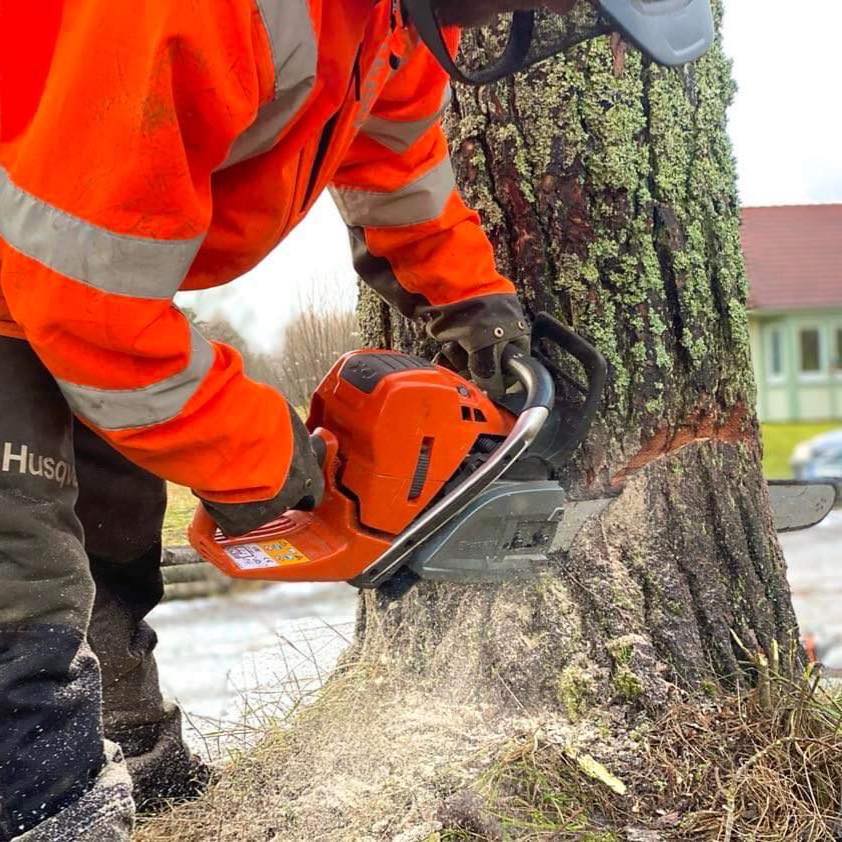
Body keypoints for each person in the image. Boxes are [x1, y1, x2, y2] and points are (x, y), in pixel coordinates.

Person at [0, 1, 712, 838]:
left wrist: (467, 297)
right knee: (21, 591)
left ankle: (137, 761)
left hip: (68, 251)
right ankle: (52, 816)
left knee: (112, 535)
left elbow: (396, 156)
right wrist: (264, 460)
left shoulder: (395, 23)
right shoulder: (212, 13)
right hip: (53, 263)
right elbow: (87, 305)